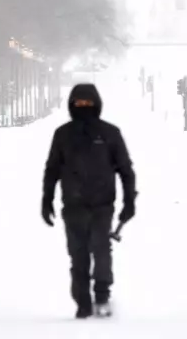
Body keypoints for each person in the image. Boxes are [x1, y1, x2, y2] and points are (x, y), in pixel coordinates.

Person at [41, 82, 136, 319]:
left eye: (88, 103)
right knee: (78, 255)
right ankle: (83, 301)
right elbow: (52, 169)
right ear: (72, 105)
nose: (84, 107)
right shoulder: (62, 135)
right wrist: (47, 199)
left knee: (101, 249)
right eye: (79, 103)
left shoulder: (110, 134)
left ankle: (102, 295)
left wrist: (129, 201)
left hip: (102, 205)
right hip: (73, 206)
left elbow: (125, 169)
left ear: (97, 104)